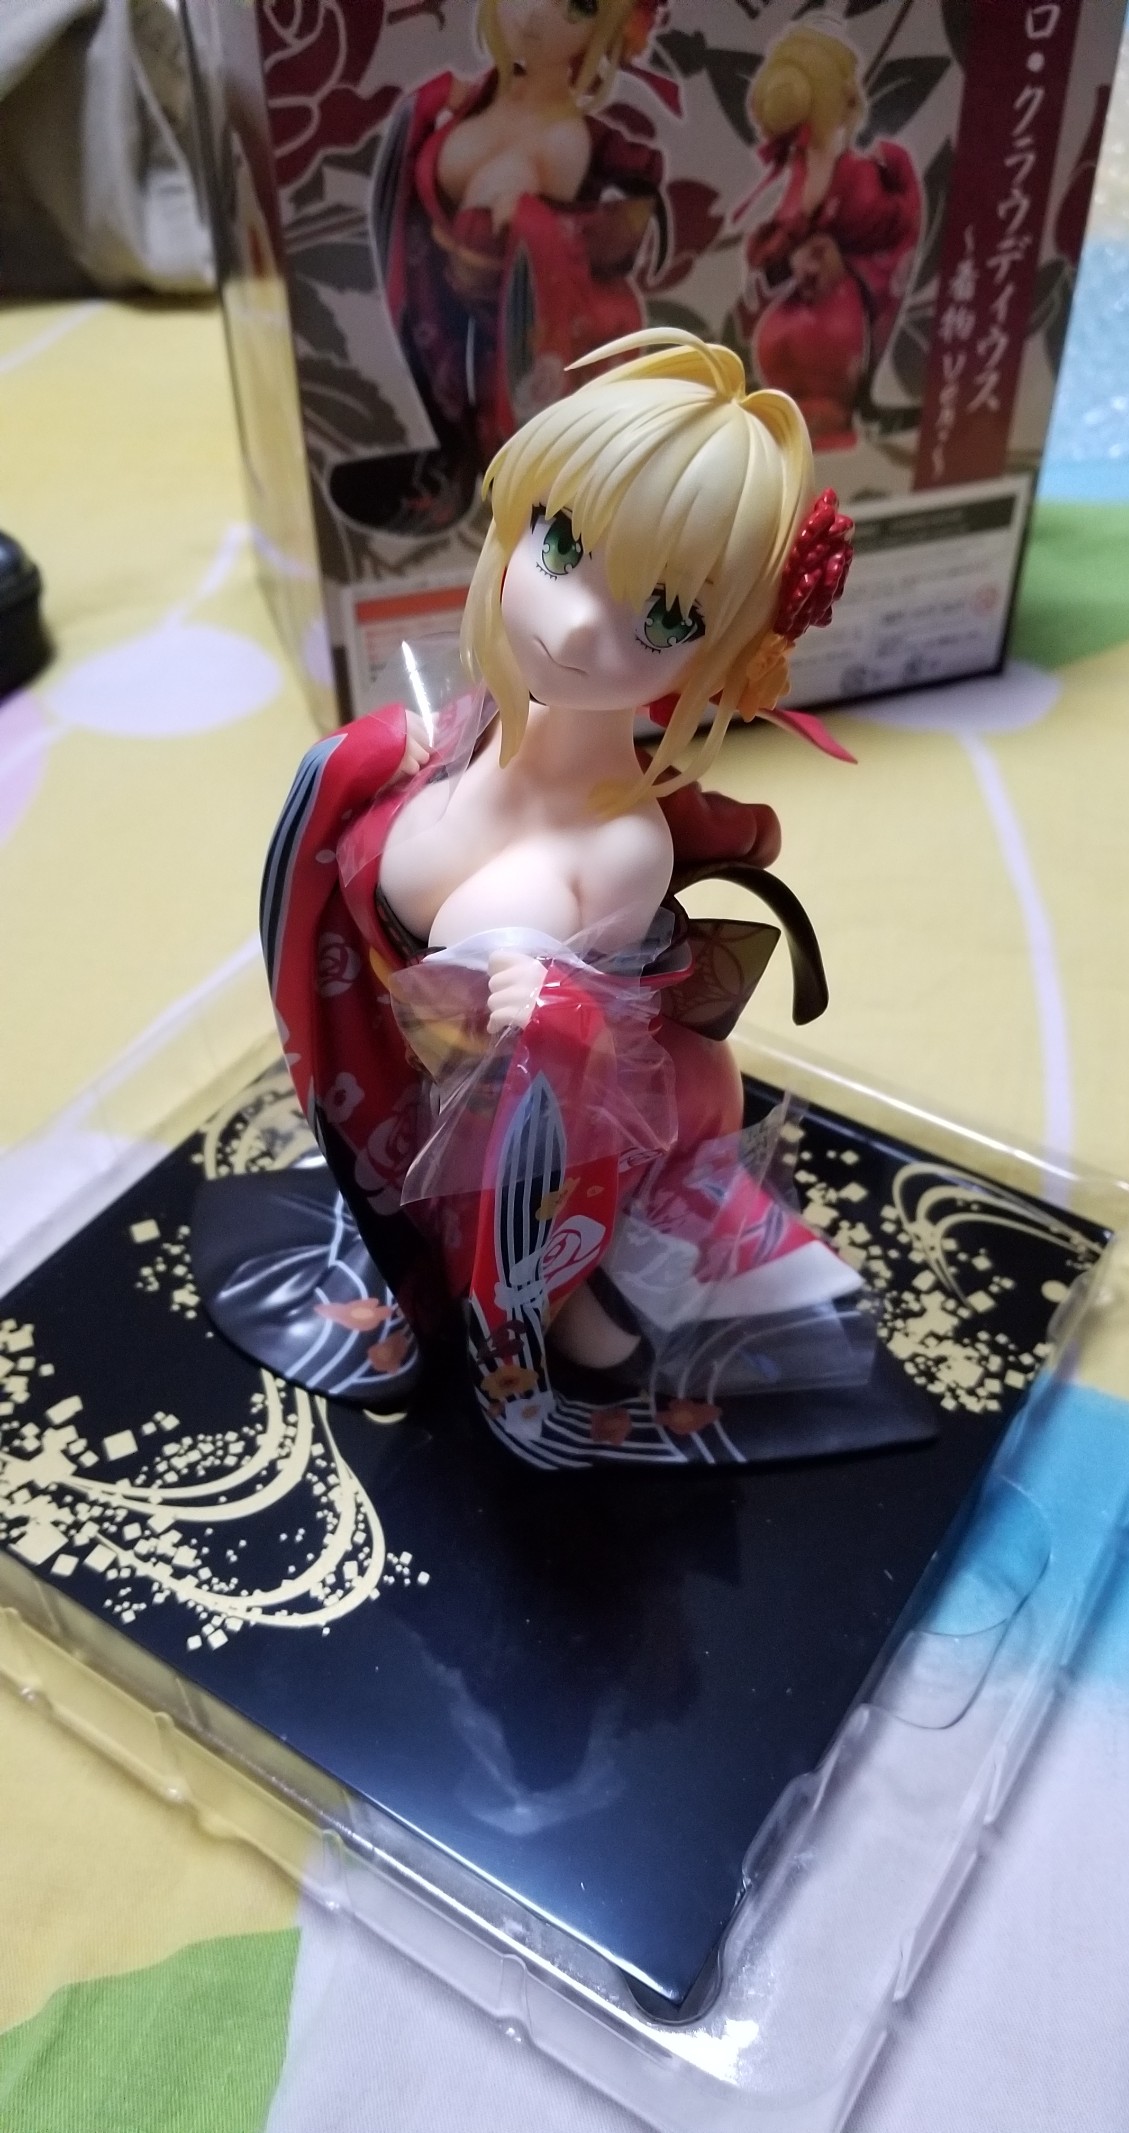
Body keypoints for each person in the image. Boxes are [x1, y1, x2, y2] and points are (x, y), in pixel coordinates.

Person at [231, 332, 872, 1468]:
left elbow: (582, 1073)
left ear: (717, 658)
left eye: (664, 617)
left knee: (574, 1315)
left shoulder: (621, 847)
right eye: (562, 543)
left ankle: (619, 1285)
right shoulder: (452, 734)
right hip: (399, 1100)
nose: (577, 626)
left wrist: (546, 1009)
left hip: (534, 1160)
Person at [329, 0, 668, 537]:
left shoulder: (577, 141)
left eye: (576, 7)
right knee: (441, 410)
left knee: (518, 453)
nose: (532, 14)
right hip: (437, 310)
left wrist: (535, 218)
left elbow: (604, 241)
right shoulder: (470, 101)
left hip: (519, 325)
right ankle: (449, 470)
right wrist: (429, 104)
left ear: (604, 32)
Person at [738, 28, 921, 450]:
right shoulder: (803, 172)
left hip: (836, 331)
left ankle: (828, 422)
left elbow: (889, 222)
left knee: (819, 395)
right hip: (791, 327)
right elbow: (771, 246)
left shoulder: (854, 177)